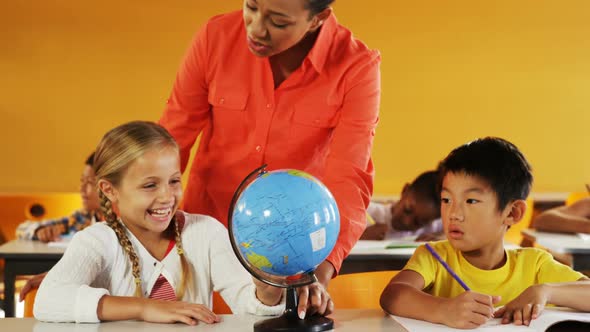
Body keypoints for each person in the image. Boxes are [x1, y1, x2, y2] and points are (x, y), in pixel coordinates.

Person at [159, 0, 380, 314]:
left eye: (278, 21)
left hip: (290, 253)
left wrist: (318, 272)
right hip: (203, 240)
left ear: (318, 18)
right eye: (251, 6)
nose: (256, 28)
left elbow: (349, 176)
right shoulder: (215, 36)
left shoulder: (357, 67)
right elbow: (172, 138)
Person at [34, 121, 289, 324]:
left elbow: (251, 308)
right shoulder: (97, 241)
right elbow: (47, 300)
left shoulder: (206, 233)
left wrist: (267, 292)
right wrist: (146, 308)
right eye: (149, 185)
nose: (167, 196)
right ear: (110, 190)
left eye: (174, 181)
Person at [380, 137, 590, 329]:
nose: (454, 214)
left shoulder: (534, 264)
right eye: (447, 200)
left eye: (471, 201)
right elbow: (393, 295)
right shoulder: (435, 257)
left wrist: (545, 291)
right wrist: (442, 310)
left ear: (512, 213)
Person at [15, 153, 101, 242]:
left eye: (90, 182)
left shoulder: (114, 225)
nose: (81, 189)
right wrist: (39, 230)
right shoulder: (81, 219)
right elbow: (21, 229)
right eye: (82, 181)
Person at [361, 170, 443, 241]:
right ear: (405, 190)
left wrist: (441, 237)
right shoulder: (365, 212)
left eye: (417, 222)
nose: (406, 222)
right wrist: (361, 238)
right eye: (407, 210)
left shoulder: (430, 228)